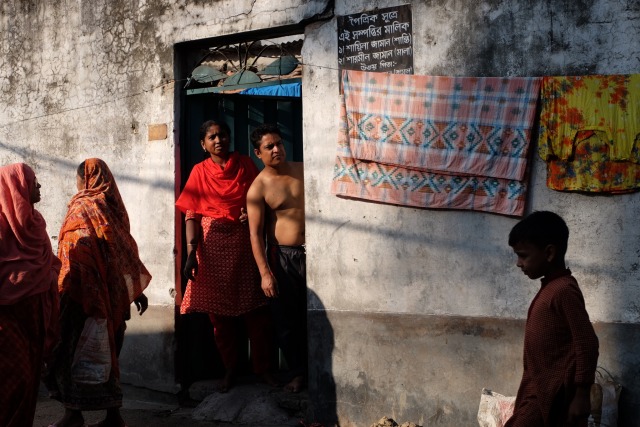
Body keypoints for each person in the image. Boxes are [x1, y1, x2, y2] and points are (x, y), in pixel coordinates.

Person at [45, 158, 151, 427]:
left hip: (80, 297)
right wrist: (134, 291)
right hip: (113, 298)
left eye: (78, 179)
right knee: (107, 353)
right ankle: (113, 416)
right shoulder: (114, 209)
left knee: (70, 353)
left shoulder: (81, 206)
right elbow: (124, 253)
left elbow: (76, 250)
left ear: (85, 180)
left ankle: (73, 414)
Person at [176, 119, 276, 392]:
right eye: (212, 137)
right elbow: (192, 214)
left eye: (222, 135)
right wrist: (191, 253)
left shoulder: (245, 164)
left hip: (245, 244)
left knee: (256, 312)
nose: (218, 140)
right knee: (219, 319)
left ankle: (264, 369)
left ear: (229, 138)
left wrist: (252, 213)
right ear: (203, 144)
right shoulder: (199, 171)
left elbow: (262, 197)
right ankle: (230, 369)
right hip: (211, 248)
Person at [505, 211, 599, 427]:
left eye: (523, 255)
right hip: (538, 390)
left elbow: (587, 343)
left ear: (549, 253)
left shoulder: (563, 290)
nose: (519, 263)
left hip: (552, 394)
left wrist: (582, 395)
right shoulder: (550, 287)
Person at [247, 123, 307, 393]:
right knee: (287, 320)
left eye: (279, 143)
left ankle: (319, 368)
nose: (276, 149)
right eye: (269, 146)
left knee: (315, 316)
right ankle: (298, 373)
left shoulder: (304, 169)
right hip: (284, 257)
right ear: (258, 152)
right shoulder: (258, 188)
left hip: (317, 253)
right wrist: (265, 274)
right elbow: (255, 234)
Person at [0, 163, 62, 427]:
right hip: (6, 319)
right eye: (33, 181)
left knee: (30, 380)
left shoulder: (36, 224)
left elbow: (49, 263)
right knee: (15, 379)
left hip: (35, 316)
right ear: (17, 187)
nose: (38, 186)